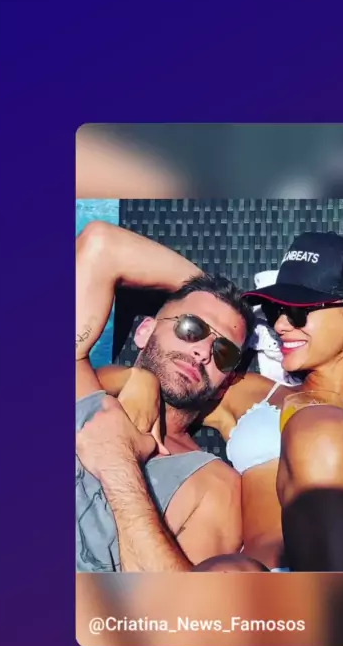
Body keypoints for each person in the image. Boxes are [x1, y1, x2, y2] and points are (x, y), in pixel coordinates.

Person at [92, 223, 343, 571]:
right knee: (227, 569)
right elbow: (104, 246)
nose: (281, 325)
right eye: (275, 311)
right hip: (260, 586)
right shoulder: (246, 392)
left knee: (318, 427)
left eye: (299, 312)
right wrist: (139, 377)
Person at [76, 221, 255, 571]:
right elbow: (100, 244)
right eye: (191, 327)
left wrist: (119, 465)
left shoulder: (214, 486)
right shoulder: (80, 385)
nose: (202, 351)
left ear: (227, 381)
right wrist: (205, 286)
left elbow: (170, 601)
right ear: (145, 331)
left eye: (223, 352)